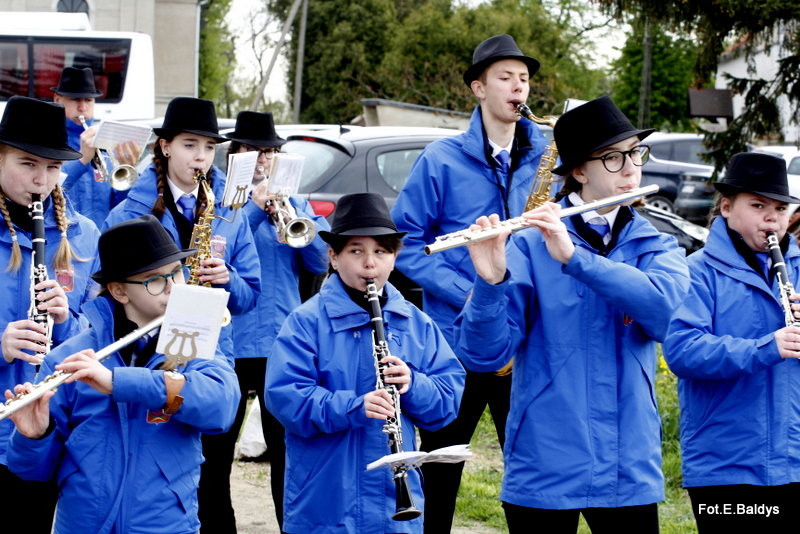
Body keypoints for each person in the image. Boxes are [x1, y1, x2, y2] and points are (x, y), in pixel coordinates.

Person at [455, 96, 689, 533]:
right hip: (546, 459)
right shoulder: (527, 243)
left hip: (628, 462)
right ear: (579, 171)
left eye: (635, 153)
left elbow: (664, 316)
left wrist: (577, 260)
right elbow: (484, 357)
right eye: (614, 158)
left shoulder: (656, 245)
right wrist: (489, 284)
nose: (631, 169)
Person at [390, 33, 548, 532]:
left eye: (524, 78)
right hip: (453, 338)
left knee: (531, 465)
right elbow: (407, 243)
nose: (517, 87)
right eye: (505, 77)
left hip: (524, 338)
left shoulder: (547, 158)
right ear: (478, 88)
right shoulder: (440, 159)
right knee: (442, 464)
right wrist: (475, 291)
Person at [4, 214, 240, 534]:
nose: (173, 289)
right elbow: (32, 471)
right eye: (156, 280)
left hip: (166, 525)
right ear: (119, 291)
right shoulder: (70, 359)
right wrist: (34, 436)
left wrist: (119, 382)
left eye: (177, 274)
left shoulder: (193, 342)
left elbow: (221, 407)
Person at [265, 192, 465, 534]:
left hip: (394, 501)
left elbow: (447, 402)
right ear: (333, 256)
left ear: (394, 257)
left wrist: (414, 385)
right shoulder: (306, 321)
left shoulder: (415, 323)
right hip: (325, 495)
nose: (370, 263)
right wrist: (353, 407)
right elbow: (285, 397)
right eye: (356, 251)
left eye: (381, 252)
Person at [198, 111, 330, 533]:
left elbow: (318, 260)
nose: (262, 159)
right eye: (253, 150)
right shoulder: (217, 199)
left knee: (288, 453)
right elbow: (220, 243)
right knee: (215, 453)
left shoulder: (293, 198)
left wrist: (290, 217)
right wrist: (254, 211)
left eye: (270, 152)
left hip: (280, 342)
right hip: (230, 340)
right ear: (235, 153)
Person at [663, 152, 800, 533]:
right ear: (726, 207)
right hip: (726, 464)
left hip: (794, 459)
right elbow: (682, 351)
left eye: (780, 208)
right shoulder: (697, 272)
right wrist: (765, 348)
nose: (772, 217)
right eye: (757, 205)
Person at [0, 95, 101, 534]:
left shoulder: (85, 234)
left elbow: (101, 332)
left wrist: (67, 323)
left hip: (42, 425)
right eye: (27, 164)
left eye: (53, 167)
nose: (41, 180)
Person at [103, 97, 261, 363]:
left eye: (209, 147)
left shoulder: (231, 211)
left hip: (212, 351)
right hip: (144, 349)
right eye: (189, 145)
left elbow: (250, 297)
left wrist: (228, 278)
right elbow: (105, 293)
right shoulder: (127, 214)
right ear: (165, 147)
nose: (201, 156)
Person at [53, 66, 141, 226]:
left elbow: (119, 206)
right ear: (57, 100)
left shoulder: (106, 144)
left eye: (88, 100)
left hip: (102, 240)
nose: (83, 108)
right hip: (63, 241)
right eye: (75, 99)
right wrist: (82, 160)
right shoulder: (48, 141)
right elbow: (48, 190)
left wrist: (128, 175)